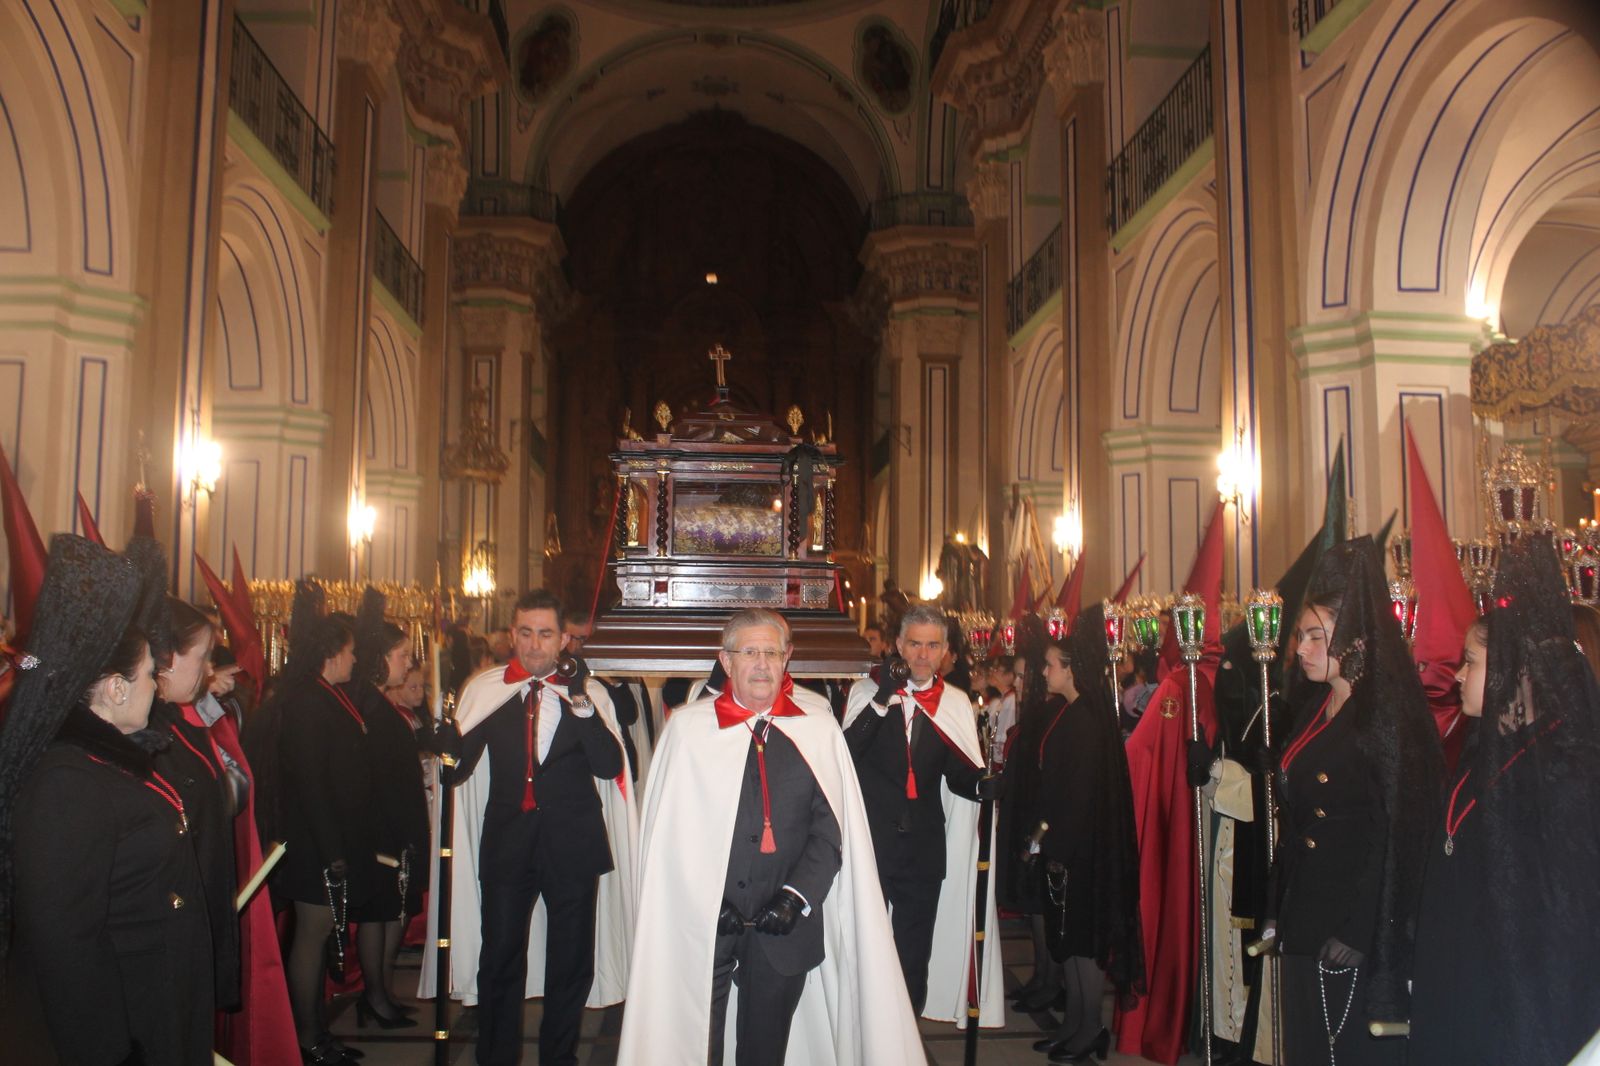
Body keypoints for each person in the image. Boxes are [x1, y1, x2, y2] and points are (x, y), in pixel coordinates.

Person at [617, 608, 923, 1065]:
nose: (761, 663)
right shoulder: (687, 730)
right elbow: (669, 840)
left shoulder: (817, 729)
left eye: (772, 653)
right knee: (693, 1047)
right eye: (749, 652)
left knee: (765, 1053)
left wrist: (796, 897)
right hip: (702, 927)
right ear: (726, 660)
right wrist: (703, 898)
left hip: (785, 929)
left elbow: (832, 831)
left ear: (788, 659)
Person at [0, 535, 214, 1064]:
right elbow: (68, 949)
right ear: (116, 689)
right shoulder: (65, 784)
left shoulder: (109, 758)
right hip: (126, 1025)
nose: (156, 687)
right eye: (148, 676)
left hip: (155, 1002)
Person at [1409, 539, 1600, 1064]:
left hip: (1517, 1006)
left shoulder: (1567, 766)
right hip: (1457, 984)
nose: (1458, 676)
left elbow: (1565, 914)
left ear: (1515, 669)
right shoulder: (1483, 750)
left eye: (1470, 662)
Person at [433, 589, 633, 1066]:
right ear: (512, 635)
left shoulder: (590, 694)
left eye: (545, 634)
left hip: (573, 846)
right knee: (499, 961)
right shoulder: (487, 690)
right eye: (526, 633)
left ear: (564, 639)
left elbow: (609, 767)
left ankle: (559, 1058)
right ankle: (496, 1059)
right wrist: (443, 745)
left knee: (570, 964)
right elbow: (456, 773)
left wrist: (581, 704)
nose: (534, 644)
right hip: (507, 845)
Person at [1267, 536, 1441, 1065]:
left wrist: (1362, 925)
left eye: (1316, 637)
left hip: (1351, 915)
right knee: (1307, 1045)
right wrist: (1277, 903)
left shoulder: (1383, 716)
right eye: (1301, 636)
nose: (1300, 650)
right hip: (1307, 904)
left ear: (1357, 638)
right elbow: (1298, 817)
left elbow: (1397, 827)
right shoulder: (1317, 705)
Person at [843, 602, 1000, 1024]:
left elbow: (958, 772)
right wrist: (882, 698)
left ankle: (906, 1037)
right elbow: (847, 756)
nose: (922, 655)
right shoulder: (864, 692)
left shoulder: (954, 703)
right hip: (872, 843)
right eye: (914, 644)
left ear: (946, 649)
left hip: (923, 848)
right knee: (866, 947)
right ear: (898, 645)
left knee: (914, 955)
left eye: (933, 646)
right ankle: (865, 1034)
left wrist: (983, 785)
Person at [268, 601, 384, 1065]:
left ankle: (317, 1032)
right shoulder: (306, 703)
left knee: (318, 935)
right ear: (332, 653)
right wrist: (333, 850)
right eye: (352, 651)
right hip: (314, 841)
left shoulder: (325, 695)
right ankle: (308, 1038)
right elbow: (312, 783)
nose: (355, 660)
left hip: (330, 837)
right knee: (312, 936)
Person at [1030, 611, 1145, 1062]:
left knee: (1084, 941)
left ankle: (1089, 1027)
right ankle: (1075, 1024)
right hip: (1068, 844)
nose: (1044, 672)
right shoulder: (1073, 711)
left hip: (1082, 850)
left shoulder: (1086, 719)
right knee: (1071, 941)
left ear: (1072, 667)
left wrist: (1058, 848)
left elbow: (1079, 794)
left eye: (1050, 665)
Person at [348, 587, 428, 1028]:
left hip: (393, 826)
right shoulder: (370, 707)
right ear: (379, 657)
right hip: (380, 830)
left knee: (388, 911)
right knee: (379, 912)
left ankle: (380, 993)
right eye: (400, 655)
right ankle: (374, 996)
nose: (407, 663)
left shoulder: (379, 704)